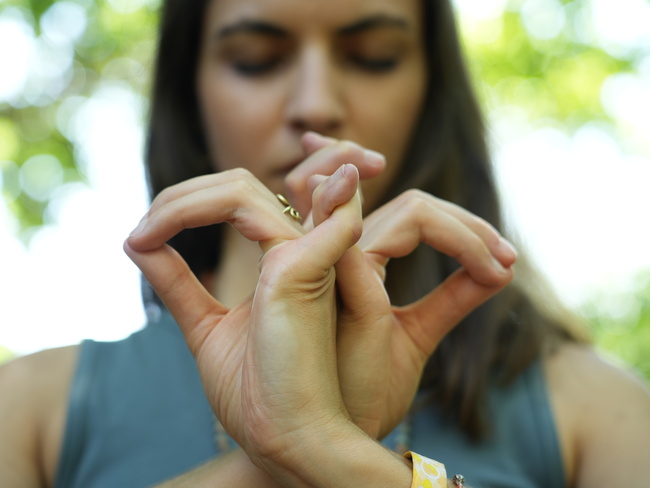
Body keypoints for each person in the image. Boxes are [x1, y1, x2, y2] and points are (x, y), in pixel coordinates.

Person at [1, 0, 649, 487]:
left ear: (431, 92)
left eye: (373, 55)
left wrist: (320, 442)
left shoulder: (598, 409)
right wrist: (284, 446)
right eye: (256, 59)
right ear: (189, 92)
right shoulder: (29, 407)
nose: (315, 103)